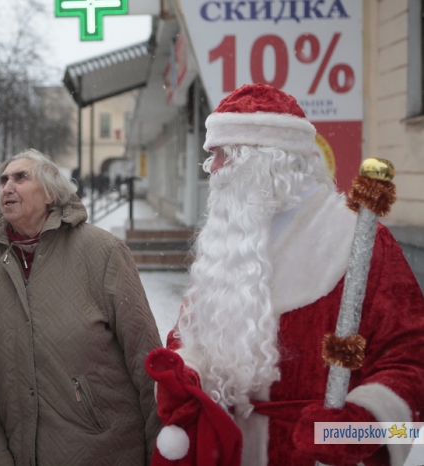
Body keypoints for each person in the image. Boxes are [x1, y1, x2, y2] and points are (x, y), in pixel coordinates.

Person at [145, 83, 424, 466]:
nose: (214, 168)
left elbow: (412, 362)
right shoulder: (228, 242)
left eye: (224, 154)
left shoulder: (357, 240)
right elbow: (189, 333)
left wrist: (354, 431)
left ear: (268, 160)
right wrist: (186, 372)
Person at [0, 149, 162, 465]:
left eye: (21, 177)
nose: (7, 187)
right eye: (4, 180)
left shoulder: (103, 252)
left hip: (105, 453)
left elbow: (146, 360)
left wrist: (159, 453)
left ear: (50, 194)